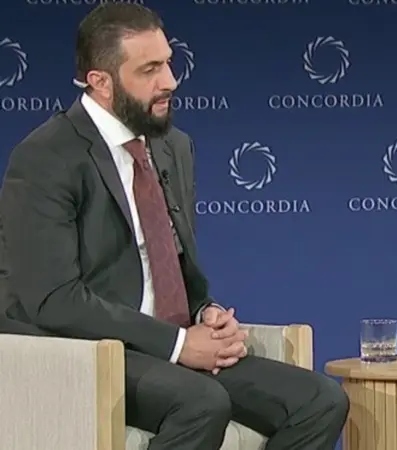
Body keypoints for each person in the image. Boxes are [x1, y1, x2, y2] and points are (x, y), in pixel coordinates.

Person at [0, 4, 348, 450]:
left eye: (167, 62)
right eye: (149, 70)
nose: (170, 80)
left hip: (167, 344)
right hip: (88, 350)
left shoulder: (172, 147)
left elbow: (169, 265)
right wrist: (179, 344)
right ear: (101, 82)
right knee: (202, 401)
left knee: (320, 401)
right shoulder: (47, 156)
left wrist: (205, 313)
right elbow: (53, 299)